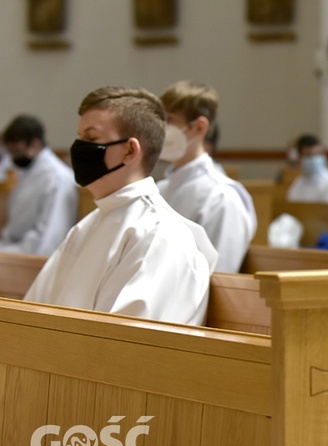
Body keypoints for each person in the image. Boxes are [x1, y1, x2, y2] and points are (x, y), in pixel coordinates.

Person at [25, 86, 217, 325]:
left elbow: (127, 346)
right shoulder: (87, 226)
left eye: (92, 138)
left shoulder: (160, 236)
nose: (78, 148)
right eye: (79, 137)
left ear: (130, 151)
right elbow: (33, 314)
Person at [157, 80, 256, 273]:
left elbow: (219, 276)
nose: (159, 129)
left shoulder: (221, 198)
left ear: (199, 127)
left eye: (169, 120)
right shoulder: (160, 190)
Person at [0, 115, 78, 256]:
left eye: (17, 152)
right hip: (15, 247)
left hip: (34, 255)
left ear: (35, 145)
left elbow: (50, 238)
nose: (14, 158)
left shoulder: (57, 178)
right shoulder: (28, 172)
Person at [286, 134, 328, 203]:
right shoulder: (298, 184)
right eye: (309, 155)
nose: (315, 159)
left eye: (318, 154)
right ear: (299, 158)